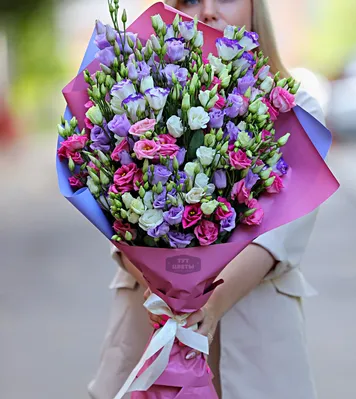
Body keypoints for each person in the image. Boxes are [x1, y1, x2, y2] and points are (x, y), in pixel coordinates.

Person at [88, 1, 326, 398]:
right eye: (191, 0)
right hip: (149, 327)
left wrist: (206, 308)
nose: (209, 12)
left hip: (255, 343)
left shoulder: (296, 109)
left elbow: (277, 239)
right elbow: (114, 213)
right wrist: (166, 290)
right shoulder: (131, 102)